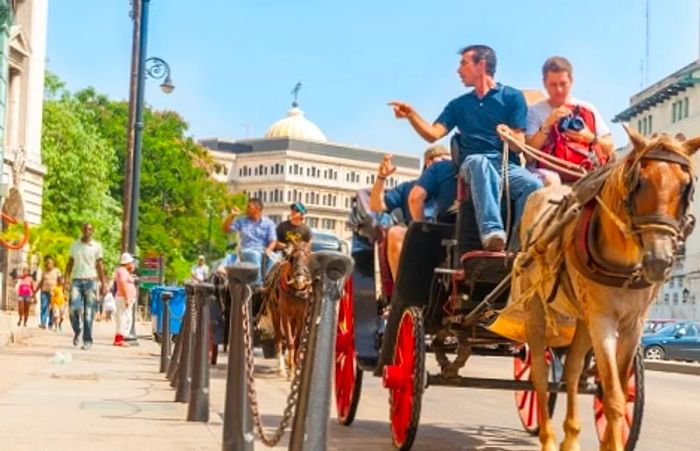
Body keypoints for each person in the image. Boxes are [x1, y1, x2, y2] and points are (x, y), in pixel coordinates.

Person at [390, 44, 543, 251]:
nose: (458, 70)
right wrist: (411, 115)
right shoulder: (458, 105)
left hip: (506, 166)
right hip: (473, 164)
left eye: (463, 63)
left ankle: (518, 248)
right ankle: (492, 232)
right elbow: (432, 134)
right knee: (479, 162)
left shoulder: (512, 97)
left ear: (481, 65)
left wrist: (509, 135)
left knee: (533, 185)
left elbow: (519, 146)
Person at [526, 56, 614, 185]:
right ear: (544, 83)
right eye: (553, 84)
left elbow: (610, 146)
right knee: (552, 180)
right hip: (547, 174)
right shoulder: (534, 111)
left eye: (563, 84)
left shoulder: (587, 108)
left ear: (571, 81)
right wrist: (548, 124)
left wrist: (589, 137)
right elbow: (528, 155)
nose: (559, 90)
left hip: (585, 171)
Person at [369, 145, 450, 277]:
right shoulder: (408, 187)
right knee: (395, 233)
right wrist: (381, 178)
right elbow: (376, 206)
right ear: (429, 163)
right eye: (444, 161)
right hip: (416, 241)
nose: (448, 166)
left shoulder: (454, 186)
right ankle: (401, 293)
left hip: (448, 238)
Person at [65, 223, 108, 350]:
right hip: (76, 281)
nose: (87, 230)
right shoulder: (74, 245)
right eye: (85, 228)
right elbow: (69, 263)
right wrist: (66, 281)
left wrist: (104, 283)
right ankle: (77, 330)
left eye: (89, 228)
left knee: (89, 313)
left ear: (92, 231)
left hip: (91, 281)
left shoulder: (96, 247)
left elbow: (100, 266)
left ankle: (87, 340)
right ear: (82, 230)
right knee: (73, 309)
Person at [222, 198, 277, 284]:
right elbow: (226, 229)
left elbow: (273, 240)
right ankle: (257, 285)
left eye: (248, 207)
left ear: (257, 209)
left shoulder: (269, 223)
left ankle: (269, 283)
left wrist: (268, 250)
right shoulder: (242, 221)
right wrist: (232, 215)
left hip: (263, 250)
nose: (246, 209)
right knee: (255, 255)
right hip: (247, 250)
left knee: (276, 259)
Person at [113, 253, 137, 347]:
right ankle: (119, 340)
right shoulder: (122, 271)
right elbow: (123, 284)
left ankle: (121, 339)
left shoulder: (124, 271)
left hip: (125, 298)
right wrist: (127, 297)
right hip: (123, 298)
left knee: (126, 318)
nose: (132, 264)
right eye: (131, 262)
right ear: (127, 263)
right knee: (123, 318)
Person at [35, 256, 61, 329]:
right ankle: (43, 322)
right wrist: (35, 291)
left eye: (51, 263)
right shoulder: (44, 271)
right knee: (43, 306)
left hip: (54, 293)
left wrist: (61, 290)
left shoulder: (57, 271)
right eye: (48, 263)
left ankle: (50, 323)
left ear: (53, 264)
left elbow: (60, 280)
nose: (49, 264)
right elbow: (41, 282)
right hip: (44, 291)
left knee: (53, 308)